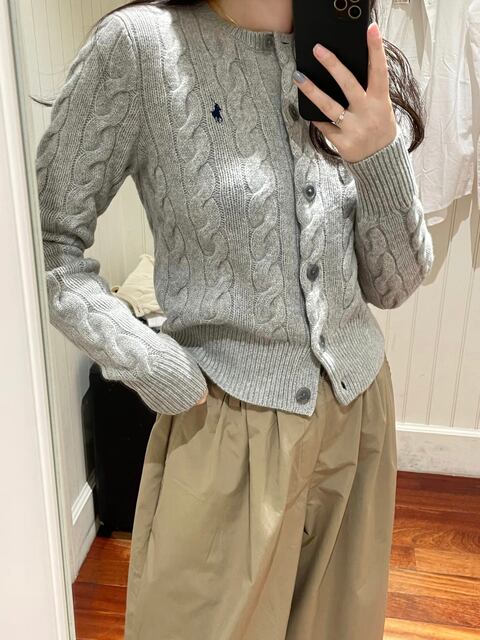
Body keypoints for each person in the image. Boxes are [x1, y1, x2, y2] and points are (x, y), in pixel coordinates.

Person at [34, 0, 434, 638]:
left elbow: (395, 283)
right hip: (221, 433)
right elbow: (45, 245)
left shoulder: (353, 45)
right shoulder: (140, 47)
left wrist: (380, 153)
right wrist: (146, 358)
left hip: (358, 423)